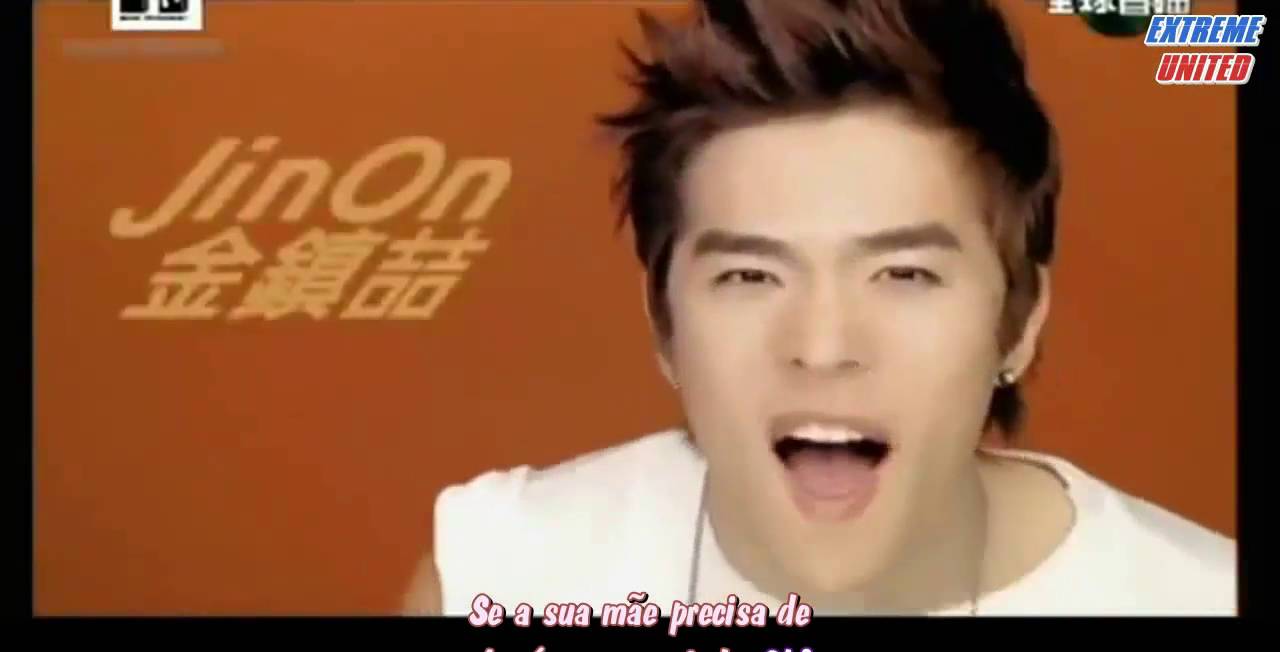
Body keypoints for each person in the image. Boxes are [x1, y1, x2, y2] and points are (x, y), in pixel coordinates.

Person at [404, 0, 1236, 617]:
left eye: (904, 274)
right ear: (664, 324)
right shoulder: (503, 580)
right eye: (751, 276)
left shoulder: (1197, 599)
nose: (823, 345)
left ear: (1018, 324)